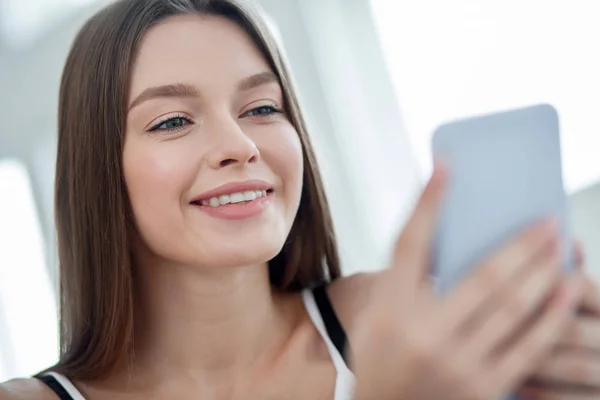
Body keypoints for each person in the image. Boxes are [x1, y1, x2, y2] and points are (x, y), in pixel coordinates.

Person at [2, 0, 600, 399]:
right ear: (99, 171)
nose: (239, 145)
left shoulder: (399, 326)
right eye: (173, 121)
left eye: (262, 108)